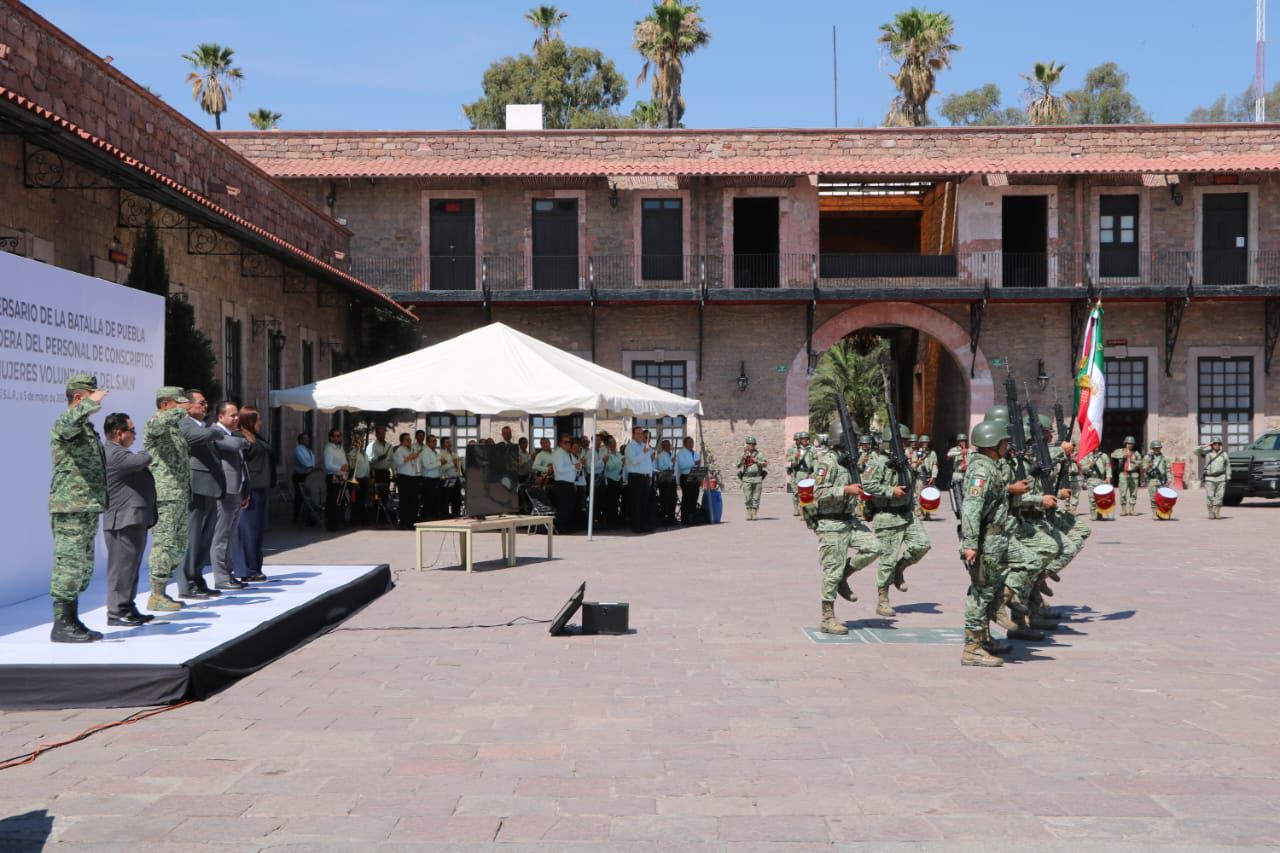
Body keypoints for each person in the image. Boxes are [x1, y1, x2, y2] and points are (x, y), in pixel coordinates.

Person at [958, 420, 1029, 666]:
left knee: (1030, 561)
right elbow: (971, 507)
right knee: (980, 593)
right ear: (992, 444)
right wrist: (970, 544)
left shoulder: (991, 466)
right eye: (1004, 442)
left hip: (999, 537)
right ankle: (972, 648)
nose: (1007, 445)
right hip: (986, 540)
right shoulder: (981, 471)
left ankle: (997, 605)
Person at [47, 375, 110, 643]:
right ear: (78, 397)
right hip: (70, 506)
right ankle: (61, 625)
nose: (98, 399)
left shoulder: (86, 428)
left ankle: (72, 620)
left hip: (86, 505)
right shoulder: (65, 422)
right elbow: (68, 423)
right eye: (90, 394)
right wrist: (91, 403)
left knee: (82, 566)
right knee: (69, 565)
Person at [807, 418, 882, 635]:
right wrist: (844, 490)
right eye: (853, 438)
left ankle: (844, 575)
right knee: (831, 570)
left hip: (849, 520)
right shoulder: (827, 463)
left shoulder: (850, 461)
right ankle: (827, 617)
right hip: (830, 522)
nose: (857, 442)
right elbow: (817, 493)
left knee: (874, 547)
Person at [862, 424, 932, 617]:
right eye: (900, 442)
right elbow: (867, 484)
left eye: (905, 442)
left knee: (922, 544)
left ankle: (900, 569)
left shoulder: (905, 460)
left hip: (907, 514)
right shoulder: (878, 461)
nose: (904, 445)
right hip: (887, 515)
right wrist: (889, 490)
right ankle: (882, 599)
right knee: (887, 559)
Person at [179, 390, 241, 599]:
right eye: (201, 403)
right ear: (188, 406)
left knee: (204, 539)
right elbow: (191, 437)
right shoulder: (185, 423)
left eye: (206, 403)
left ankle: (197, 578)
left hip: (211, 487)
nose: (205, 407)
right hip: (197, 486)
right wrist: (216, 432)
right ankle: (187, 583)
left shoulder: (203, 427)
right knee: (193, 537)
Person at [101, 412, 158, 627]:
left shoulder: (120, 452)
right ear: (118, 433)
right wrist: (153, 442)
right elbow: (142, 459)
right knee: (120, 570)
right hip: (122, 521)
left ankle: (127, 607)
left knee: (130, 568)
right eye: (132, 431)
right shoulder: (114, 453)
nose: (135, 435)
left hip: (132, 519)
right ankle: (116, 613)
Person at [142, 387, 193, 612]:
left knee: (179, 545)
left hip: (179, 495)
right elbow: (156, 425)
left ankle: (163, 592)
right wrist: (181, 411)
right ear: (165, 405)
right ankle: (156, 594)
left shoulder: (174, 430)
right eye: (178, 403)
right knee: (165, 545)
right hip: (165, 495)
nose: (184, 408)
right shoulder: (156, 425)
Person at [209, 401, 250, 590]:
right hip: (225, 491)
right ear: (220, 417)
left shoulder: (232, 434)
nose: (236, 419)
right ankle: (220, 577)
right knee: (222, 536)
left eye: (237, 415)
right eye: (232, 415)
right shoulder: (215, 433)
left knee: (231, 535)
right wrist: (244, 440)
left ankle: (229, 573)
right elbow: (236, 445)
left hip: (236, 490)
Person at [234, 406, 275, 581]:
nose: (260, 422)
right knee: (248, 530)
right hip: (250, 489)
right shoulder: (240, 438)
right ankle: (248, 570)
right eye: (257, 419)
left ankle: (255, 567)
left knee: (257, 531)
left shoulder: (255, 437)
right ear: (249, 420)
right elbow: (239, 466)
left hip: (261, 487)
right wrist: (244, 491)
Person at [625, 426, 656, 533]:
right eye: (638, 433)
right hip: (635, 478)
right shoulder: (630, 447)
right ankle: (636, 526)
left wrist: (650, 476)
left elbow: (649, 463)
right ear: (633, 435)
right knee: (636, 503)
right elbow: (633, 461)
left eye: (641, 433)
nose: (640, 435)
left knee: (644, 503)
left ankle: (644, 525)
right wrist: (644, 452)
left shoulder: (645, 446)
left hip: (645, 478)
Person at [551, 433, 581, 534]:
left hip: (569, 484)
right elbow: (559, 470)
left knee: (569, 507)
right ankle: (560, 528)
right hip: (562, 484)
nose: (568, 444)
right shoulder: (558, 453)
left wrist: (574, 482)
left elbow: (577, 466)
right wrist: (574, 467)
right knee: (563, 508)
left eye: (569, 442)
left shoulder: (568, 453)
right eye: (565, 442)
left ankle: (567, 527)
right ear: (560, 443)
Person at [1195, 435, 1230, 519]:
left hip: (1221, 477)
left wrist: (1228, 475)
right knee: (1210, 496)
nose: (1217, 445)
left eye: (1218, 444)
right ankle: (1211, 512)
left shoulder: (1224, 454)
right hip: (1210, 478)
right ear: (1212, 445)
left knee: (1220, 496)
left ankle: (1217, 512)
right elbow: (1195, 451)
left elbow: (1228, 465)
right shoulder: (1207, 453)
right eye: (1214, 444)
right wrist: (1206, 445)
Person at [392, 432, 420, 529]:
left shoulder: (412, 449)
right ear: (402, 441)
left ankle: (412, 522)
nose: (409, 441)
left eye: (410, 439)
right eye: (407, 440)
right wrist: (410, 457)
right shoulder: (399, 450)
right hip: (404, 478)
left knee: (413, 501)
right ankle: (403, 523)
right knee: (404, 501)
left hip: (413, 477)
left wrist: (412, 457)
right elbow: (399, 462)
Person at [322, 426, 348, 532]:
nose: (339, 438)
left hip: (341, 476)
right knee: (333, 501)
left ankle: (339, 522)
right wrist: (340, 467)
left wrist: (346, 466)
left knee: (340, 501)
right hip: (333, 476)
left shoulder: (340, 448)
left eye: (340, 436)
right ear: (331, 438)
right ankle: (332, 524)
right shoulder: (329, 449)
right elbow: (328, 465)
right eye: (337, 436)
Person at [736, 436, 767, 521]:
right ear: (746, 445)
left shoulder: (759, 454)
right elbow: (738, 465)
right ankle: (749, 513)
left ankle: (754, 513)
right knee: (748, 497)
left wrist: (756, 461)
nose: (751, 445)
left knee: (756, 497)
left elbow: (765, 464)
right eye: (749, 444)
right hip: (747, 478)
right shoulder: (743, 454)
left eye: (753, 444)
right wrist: (743, 458)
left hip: (757, 478)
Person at [366, 426, 394, 521]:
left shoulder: (388, 446)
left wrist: (394, 473)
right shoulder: (371, 446)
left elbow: (392, 461)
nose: (383, 435)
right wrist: (378, 458)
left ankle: (383, 516)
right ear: (376, 434)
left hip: (385, 473)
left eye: (384, 433)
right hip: (376, 472)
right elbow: (368, 460)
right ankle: (375, 516)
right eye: (380, 433)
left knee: (385, 494)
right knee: (376, 495)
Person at [784, 432, 814, 517]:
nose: (798, 441)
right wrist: (795, 457)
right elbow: (787, 458)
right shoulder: (792, 449)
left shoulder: (809, 448)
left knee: (804, 492)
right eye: (797, 440)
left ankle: (803, 510)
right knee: (795, 491)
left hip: (805, 472)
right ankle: (796, 507)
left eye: (799, 439)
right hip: (795, 472)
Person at [1080, 444, 1112, 519]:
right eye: (1094, 445)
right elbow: (1083, 468)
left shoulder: (1103, 456)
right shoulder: (1087, 456)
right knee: (1092, 498)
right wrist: (1089, 466)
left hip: (1101, 480)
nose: (1096, 447)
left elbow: (1108, 467)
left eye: (1097, 445)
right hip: (1091, 479)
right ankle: (1093, 514)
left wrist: (1108, 477)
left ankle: (1100, 514)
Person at [347, 430, 372, 525]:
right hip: (357, 480)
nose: (361, 443)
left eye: (362, 441)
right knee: (356, 501)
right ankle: (354, 521)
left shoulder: (364, 453)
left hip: (364, 479)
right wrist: (355, 482)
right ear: (355, 443)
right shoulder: (353, 453)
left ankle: (360, 520)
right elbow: (351, 468)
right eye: (359, 441)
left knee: (362, 501)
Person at [1142, 439, 1171, 520]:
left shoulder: (1164, 458)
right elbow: (1143, 469)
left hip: (1162, 480)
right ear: (1152, 448)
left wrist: (1169, 479)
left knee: (1163, 498)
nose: (1157, 449)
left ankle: (1162, 513)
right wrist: (1149, 466)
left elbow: (1168, 469)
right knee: (1153, 498)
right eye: (1155, 448)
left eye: (1158, 447)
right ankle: (1154, 513)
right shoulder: (1147, 458)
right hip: (1152, 480)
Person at [1112, 436, 1141, 516]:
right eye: (1128, 443)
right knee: (1123, 493)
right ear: (1125, 443)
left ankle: (1132, 509)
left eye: (1131, 443)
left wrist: (1134, 461)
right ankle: (1123, 509)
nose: (1130, 445)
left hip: (1133, 474)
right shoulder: (1120, 451)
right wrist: (1122, 456)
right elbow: (1113, 455)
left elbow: (1140, 462)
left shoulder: (1136, 453)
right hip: (1123, 474)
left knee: (1134, 492)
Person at [675, 436, 701, 525]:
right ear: (684, 444)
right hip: (686, 477)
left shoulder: (694, 453)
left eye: (692, 442)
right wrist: (694, 463)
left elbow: (698, 464)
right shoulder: (681, 453)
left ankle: (692, 517)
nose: (691, 444)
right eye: (689, 442)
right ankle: (685, 518)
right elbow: (682, 465)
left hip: (695, 476)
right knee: (687, 498)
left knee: (694, 497)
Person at [291, 432, 315, 525]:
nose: (307, 440)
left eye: (308, 438)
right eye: (305, 439)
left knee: (309, 496)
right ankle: (296, 517)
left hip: (308, 474)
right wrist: (311, 466)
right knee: (299, 496)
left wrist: (312, 466)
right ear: (300, 440)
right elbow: (304, 462)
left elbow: (312, 461)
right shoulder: (298, 449)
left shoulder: (309, 450)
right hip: (300, 475)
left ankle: (308, 517)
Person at [418, 434, 443, 521]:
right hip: (428, 480)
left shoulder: (436, 452)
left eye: (436, 441)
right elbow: (427, 466)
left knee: (436, 500)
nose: (435, 443)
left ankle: (434, 517)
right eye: (432, 441)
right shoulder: (425, 452)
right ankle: (426, 518)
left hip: (436, 479)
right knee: (429, 500)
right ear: (428, 442)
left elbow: (436, 466)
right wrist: (440, 463)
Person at [914, 435, 938, 519]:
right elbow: (912, 465)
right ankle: (919, 514)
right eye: (923, 442)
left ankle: (928, 514)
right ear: (920, 443)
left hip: (929, 476)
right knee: (919, 495)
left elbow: (935, 465)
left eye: (926, 442)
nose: (925, 444)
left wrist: (933, 476)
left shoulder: (932, 453)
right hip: (920, 476)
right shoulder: (917, 452)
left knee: (929, 496)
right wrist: (917, 463)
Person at [439, 436, 462, 518]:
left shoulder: (454, 453)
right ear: (442, 444)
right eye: (447, 442)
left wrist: (460, 477)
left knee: (457, 499)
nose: (449, 444)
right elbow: (442, 468)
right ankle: (446, 516)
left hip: (456, 479)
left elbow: (459, 468)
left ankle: (456, 514)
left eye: (450, 442)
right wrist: (453, 463)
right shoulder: (440, 454)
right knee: (446, 500)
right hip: (446, 479)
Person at [655, 439, 677, 525]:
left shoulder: (672, 455)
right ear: (662, 447)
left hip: (672, 480)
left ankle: (672, 517)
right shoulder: (661, 456)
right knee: (665, 499)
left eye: (669, 445)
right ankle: (665, 518)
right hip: (665, 481)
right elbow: (661, 467)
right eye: (666, 445)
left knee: (673, 499)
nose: (668, 447)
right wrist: (671, 463)